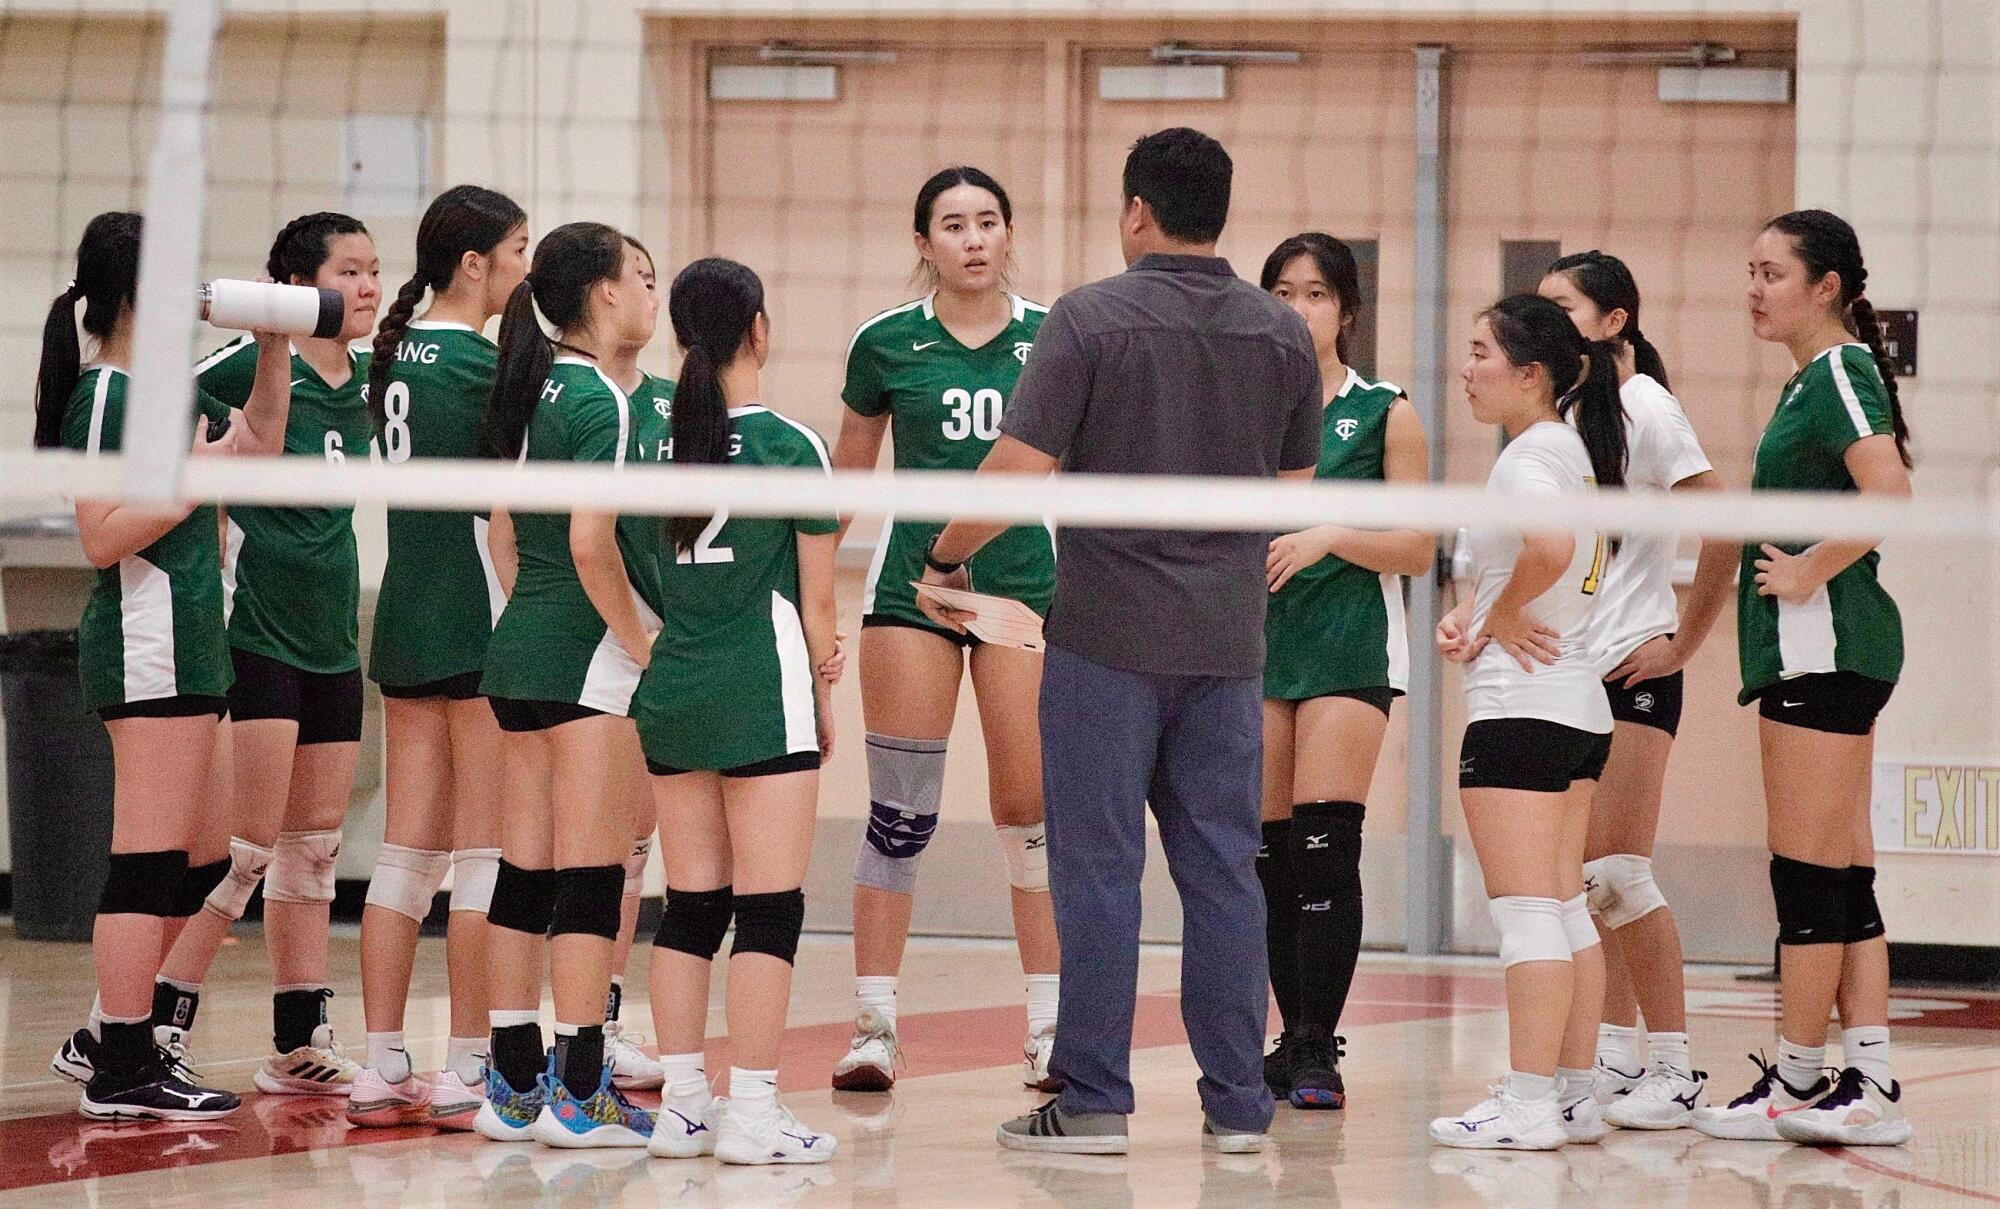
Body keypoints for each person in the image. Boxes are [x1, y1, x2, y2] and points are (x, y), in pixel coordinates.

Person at [918, 127, 1323, 1156]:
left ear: (1135, 211)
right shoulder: (1281, 333)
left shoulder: (1088, 319)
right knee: (1226, 873)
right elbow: (1291, 498)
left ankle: (1094, 1103)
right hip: (1226, 648)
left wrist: (945, 556)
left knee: (1097, 873)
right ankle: (1238, 1109)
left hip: (1103, 643)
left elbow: (1017, 466)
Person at [40, 211, 292, 1119]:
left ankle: (110, 1028)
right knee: (146, 863)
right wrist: (187, 476)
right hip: (146, 643)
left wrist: (273, 347)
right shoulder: (107, 396)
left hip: (192, 643)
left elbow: (257, 451)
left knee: (208, 856)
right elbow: (103, 537)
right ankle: (122, 1070)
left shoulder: (162, 394)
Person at [830, 166, 1059, 1092]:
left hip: (1023, 593)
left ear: (1009, 235)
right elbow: (844, 483)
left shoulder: (1053, 338)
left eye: (988, 221)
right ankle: (874, 1026)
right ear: (922, 243)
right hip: (912, 595)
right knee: (898, 815)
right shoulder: (885, 343)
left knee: (1031, 819)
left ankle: (1048, 1030)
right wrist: (794, 595)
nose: (973, 238)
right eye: (952, 224)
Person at [142, 212, 380, 1096]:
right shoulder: (242, 365)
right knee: (246, 850)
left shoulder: (361, 380)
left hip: (330, 641)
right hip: (255, 633)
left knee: (314, 851)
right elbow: (158, 421)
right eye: (348, 271)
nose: (365, 287)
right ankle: (151, 1023)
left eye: (373, 271)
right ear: (296, 288)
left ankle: (299, 1038)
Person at [1692, 209, 1913, 1147]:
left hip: (1825, 646)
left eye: (1772, 273)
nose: (1754, 287)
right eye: (1749, 270)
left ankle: (1797, 1075)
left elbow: (1891, 497)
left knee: (1809, 871)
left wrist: (1810, 568)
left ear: (1826, 286)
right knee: (1844, 866)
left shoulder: (1841, 373)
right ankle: (1868, 1075)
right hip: (1823, 653)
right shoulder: (1805, 384)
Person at [633, 257, 842, 1165]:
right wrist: (824, 697)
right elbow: (820, 606)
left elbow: (634, 571)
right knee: (768, 909)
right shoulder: (793, 446)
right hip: (764, 688)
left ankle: (683, 1108)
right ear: (759, 328)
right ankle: (753, 1113)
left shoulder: (651, 448)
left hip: (673, 686)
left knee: (688, 906)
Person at [471, 221, 661, 1149]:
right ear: (605, 294)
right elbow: (593, 543)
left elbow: (505, 535)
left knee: (524, 872)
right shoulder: (603, 399)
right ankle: (580, 1092)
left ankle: (510, 1086)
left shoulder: (527, 384)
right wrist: (643, 645)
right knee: (591, 877)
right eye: (643, 276)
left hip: (519, 651)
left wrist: (539, 613)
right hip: (589, 658)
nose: (652, 295)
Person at [1537, 250, 1736, 1128]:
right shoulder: (1565, 413)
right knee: (1587, 876)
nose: (1549, 321)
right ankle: (1617, 1055)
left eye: (1566, 307)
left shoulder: (1645, 405)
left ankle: (1676, 1065)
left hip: (1635, 669)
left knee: (1618, 871)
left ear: (1615, 319)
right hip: (1576, 671)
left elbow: (1723, 522)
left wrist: (1682, 642)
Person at [347, 185, 527, 1129]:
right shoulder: (482, 367)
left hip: (409, 610)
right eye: (518, 250)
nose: (526, 269)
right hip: (473, 612)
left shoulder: (398, 351)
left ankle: (379, 1063)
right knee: (484, 856)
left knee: (404, 858)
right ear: (475, 263)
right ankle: (466, 1063)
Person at [1429, 293, 1627, 1151]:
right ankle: (1573, 1094)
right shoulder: (1570, 452)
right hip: (1578, 704)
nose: (1465, 369)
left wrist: (1501, 612)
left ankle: (1530, 1102)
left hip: (1521, 707)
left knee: (1528, 914)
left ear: (1530, 373)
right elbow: (1561, 557)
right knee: (1564, 906)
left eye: (1480, 352)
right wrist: (1478, 611)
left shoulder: (1526, 461)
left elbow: (1545, 550)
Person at [1254, 232, 1431, 1110]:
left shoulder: (1386, 411)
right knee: (1268, 862)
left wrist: (1329, 534)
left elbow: (1419, 542)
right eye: (1283, 292)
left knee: (1324, 850)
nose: (1299, 309)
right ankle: (1289, 1038)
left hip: (1349, 644)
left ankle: (1319, 1046)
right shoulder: (1240, 413)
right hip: (1255, 647)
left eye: (1316, 293)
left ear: (1347, 311)